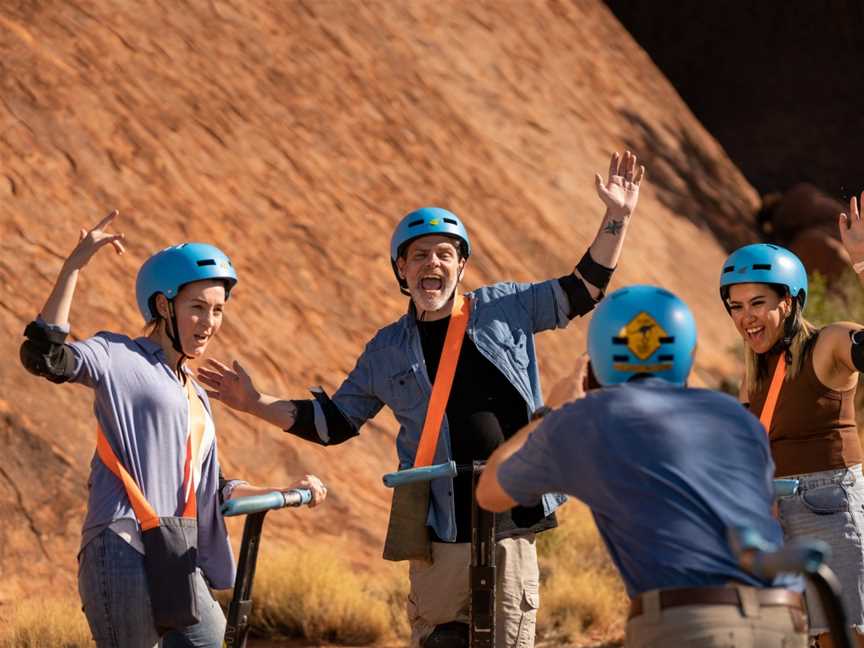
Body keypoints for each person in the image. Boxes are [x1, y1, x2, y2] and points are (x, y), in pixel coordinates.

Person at [196, 151, 646, 647]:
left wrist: (616, 217)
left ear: (461, 264)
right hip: (440, 536)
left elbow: (584, 288)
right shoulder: (386, 350)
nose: (432, 263)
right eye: (419, 255)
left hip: (512, 522)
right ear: (402, 270)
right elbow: (335, 423)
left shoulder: (506, 307)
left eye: (444, 253)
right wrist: (255, 401)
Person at [19, 210, 327, 648]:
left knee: (211, 638)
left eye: (218, 310)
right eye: (197, 308)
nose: (209, 322)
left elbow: (212, 491)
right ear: (164, 306)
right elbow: (44, 358)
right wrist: (73, 267)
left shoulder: (196, 394)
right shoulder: (118, 355)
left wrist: (284, 492)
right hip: (121, 543)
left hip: (176, 550)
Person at [475, 284, 808, 648]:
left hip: (687, 622)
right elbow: (766, 514)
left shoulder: (585, 420)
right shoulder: (736, 417)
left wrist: (552, 413)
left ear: (597, 360)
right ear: (686, 353)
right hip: (783, 616)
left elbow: (491, 491)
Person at [717, 192, 864, 647]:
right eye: (736, 306)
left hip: (831, 508)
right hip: (772, 520)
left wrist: (861, 266)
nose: (746, 318)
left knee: (848, 637)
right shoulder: (752, 377)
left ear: (791, 301)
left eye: (758, 303)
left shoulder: (832, 343)